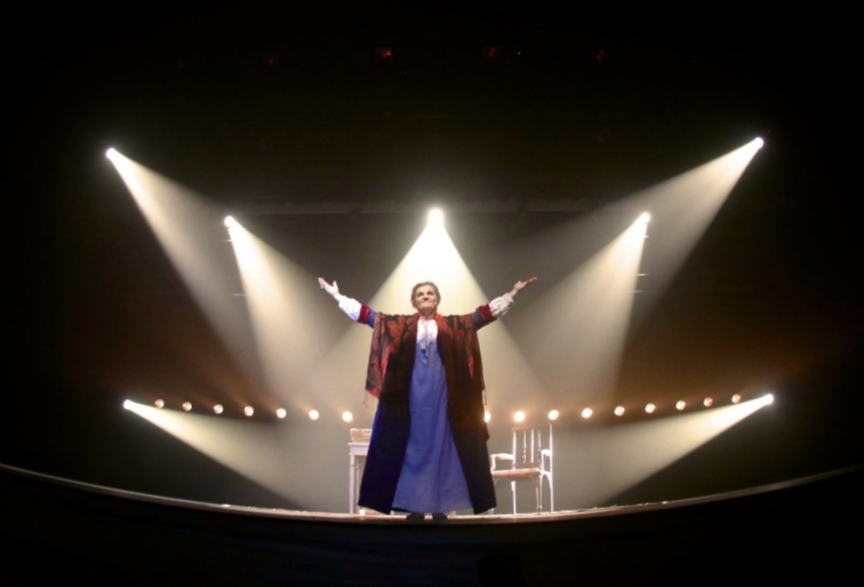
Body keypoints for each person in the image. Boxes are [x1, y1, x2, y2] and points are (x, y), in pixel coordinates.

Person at [318, 276, 537, 518]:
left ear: (437, 300)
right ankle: (415, 507)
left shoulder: (454, 325)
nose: (425, 297)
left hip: (444, 398)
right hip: (409, 399)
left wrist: (513, 293)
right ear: (414, 301)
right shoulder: (400, 325)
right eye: (420, 294)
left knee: (445, 448)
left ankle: (440, 506)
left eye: (429, 293)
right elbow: (368, 316)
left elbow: (484, 315)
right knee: (409, 449)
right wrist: (336, 296)